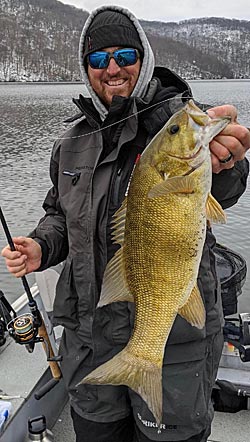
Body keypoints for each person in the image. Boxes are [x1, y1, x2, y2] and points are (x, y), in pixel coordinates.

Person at [1, 5, 250, 442]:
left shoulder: (177, 123)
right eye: (98, 60)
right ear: (86, 70)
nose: (112, 68)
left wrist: (227, 163)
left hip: (176, 343)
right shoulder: (69, 143)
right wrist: (41, 246)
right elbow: (60, 214)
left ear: (145, 58)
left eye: (125, 56)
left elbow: (223, 190)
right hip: (90, 338)